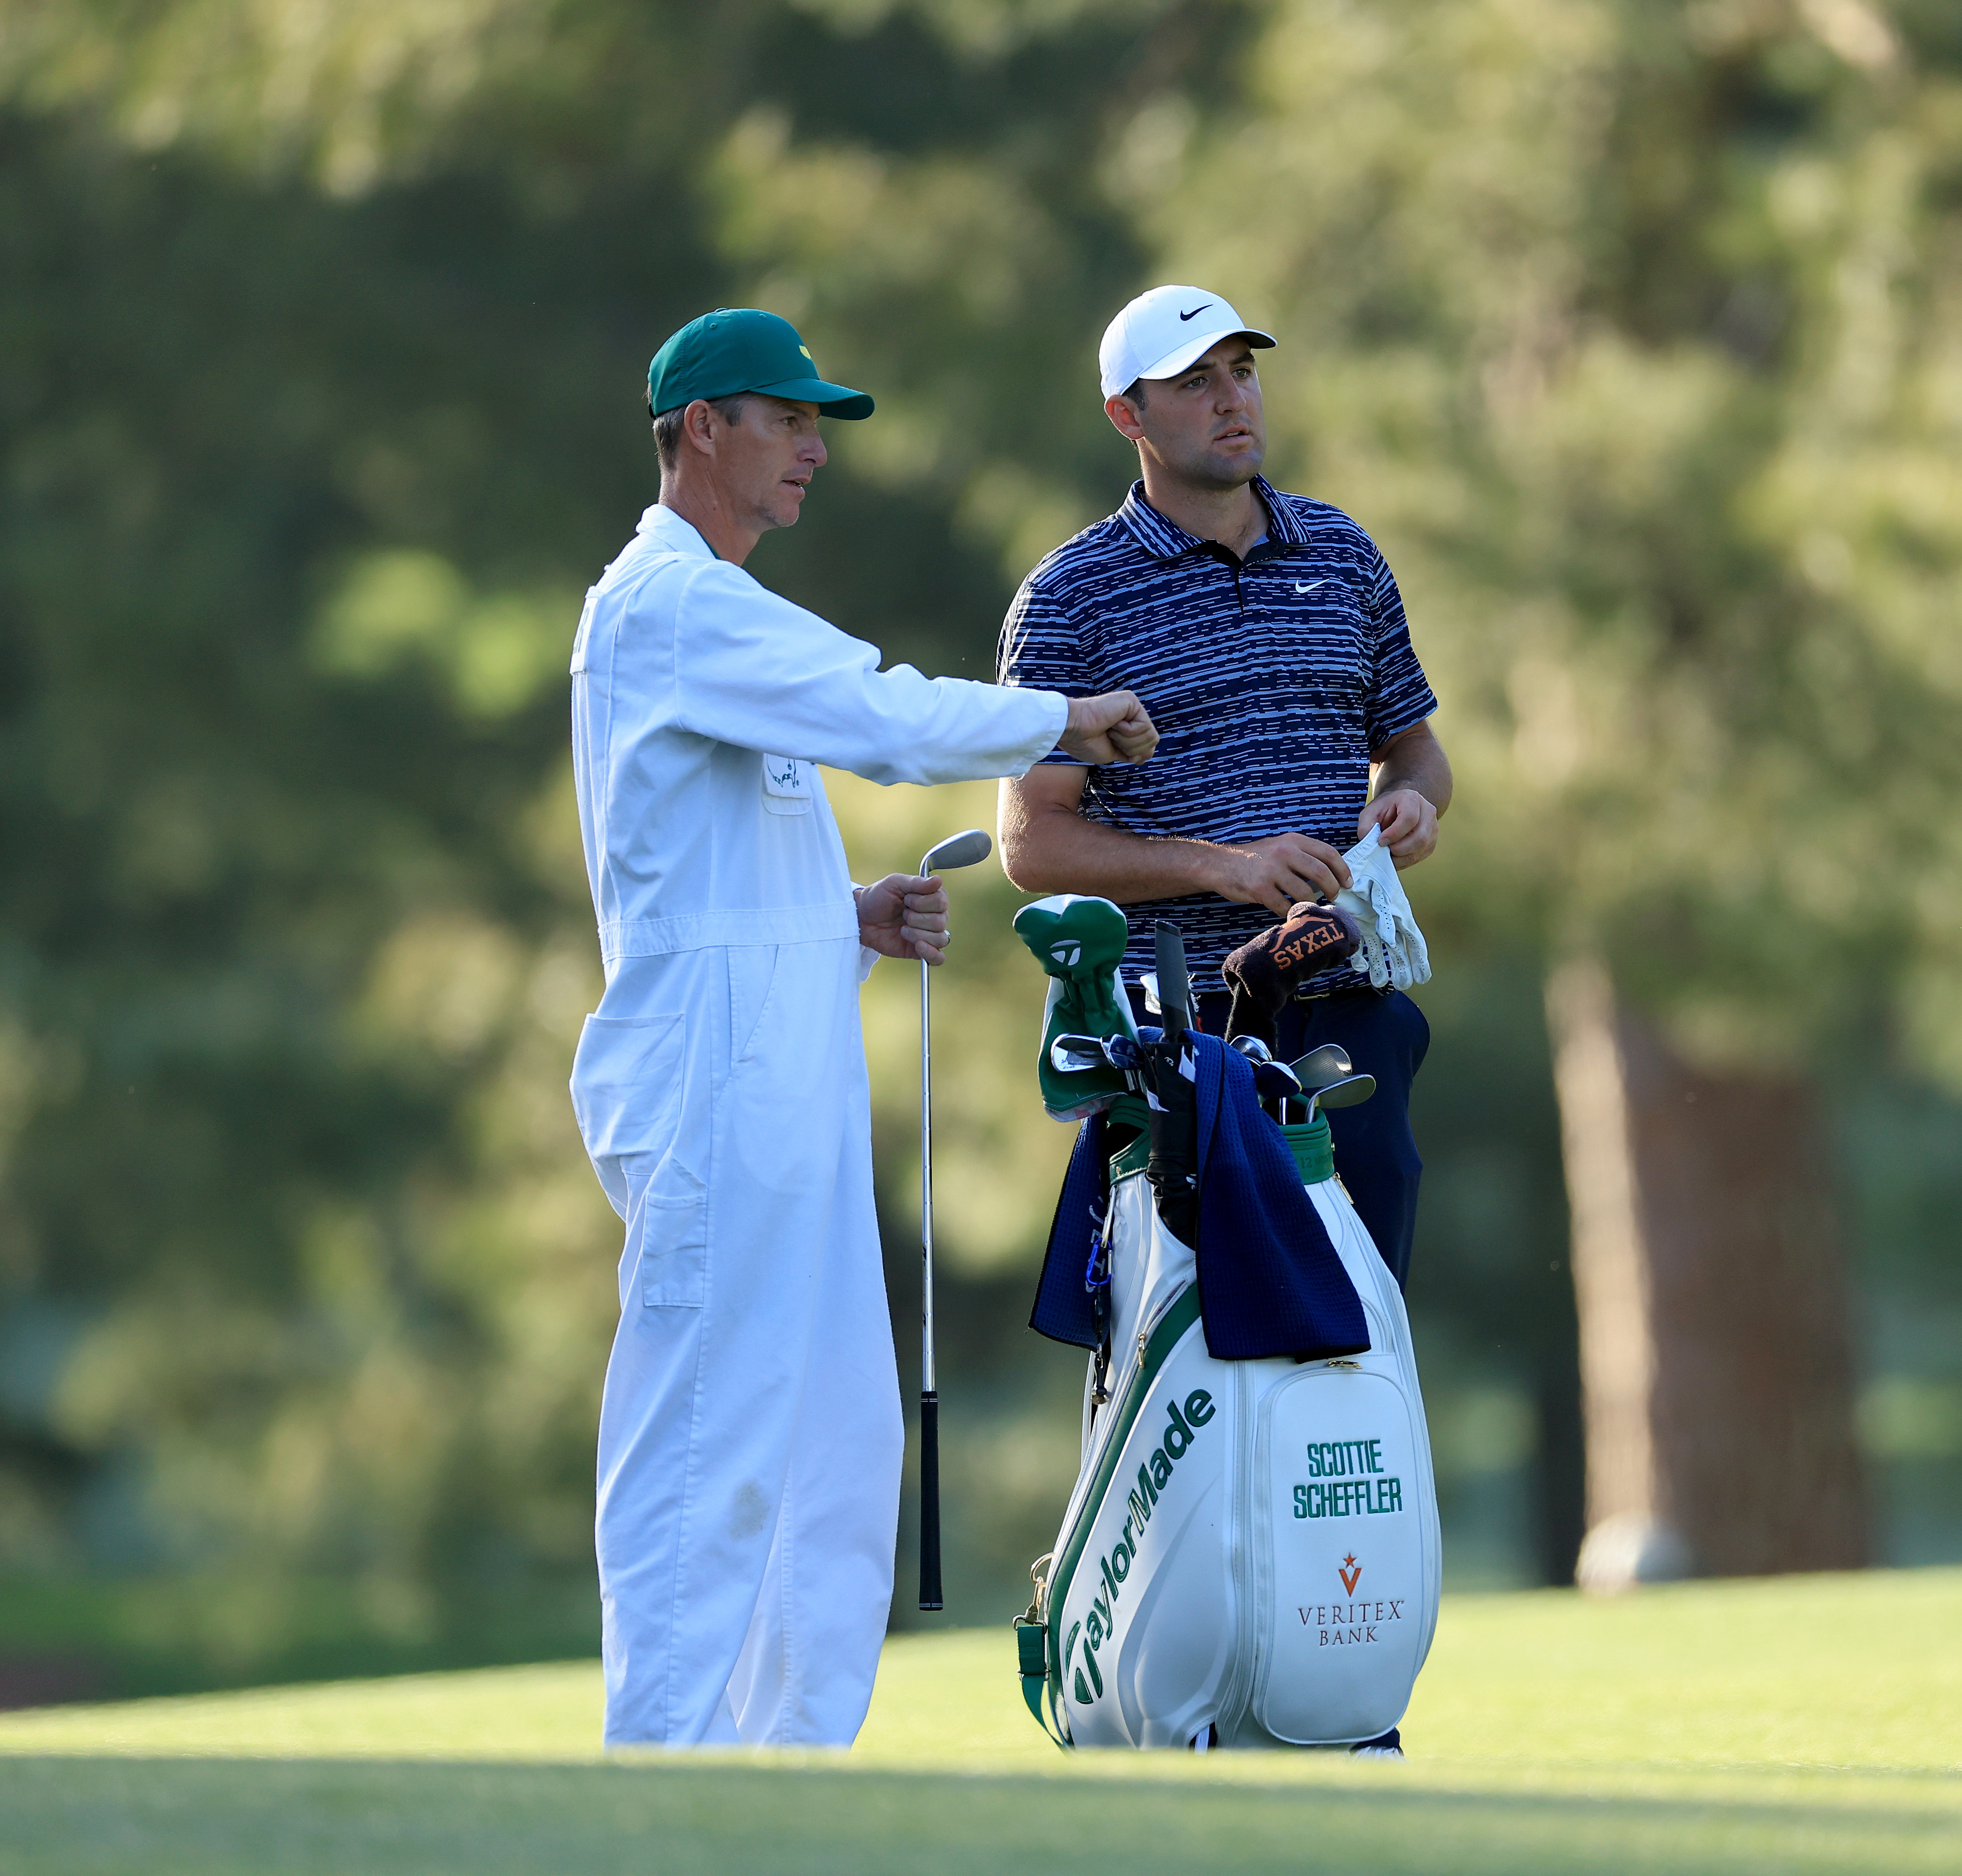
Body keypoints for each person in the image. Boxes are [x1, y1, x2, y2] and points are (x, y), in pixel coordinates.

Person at [567, 307, 1156, 1750]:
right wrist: (1064, 719)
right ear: (704, 429)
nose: (813, 453)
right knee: (710, 1443)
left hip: (783, 1064)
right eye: (789, 421)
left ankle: (789, 1782)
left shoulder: (713, 618)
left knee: (833, 1449)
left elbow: (704, 858)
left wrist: (849, 914)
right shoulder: (672, 606)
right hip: (710, 1075)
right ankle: (663, 1780)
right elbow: (878, 717)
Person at [997, 285, 1452, 1286]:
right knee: (1212, 1334)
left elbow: (1416, 749)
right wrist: (1228, 867)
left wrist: (1413, 799)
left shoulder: (1341, 553)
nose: (1230, 398)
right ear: (1129, 416)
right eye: (1193, 381)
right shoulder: (1073, 596)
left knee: (1364, 1321)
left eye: (1241, 371)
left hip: (1348, 1007)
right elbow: (1032, 845)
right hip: (1177, 1032)